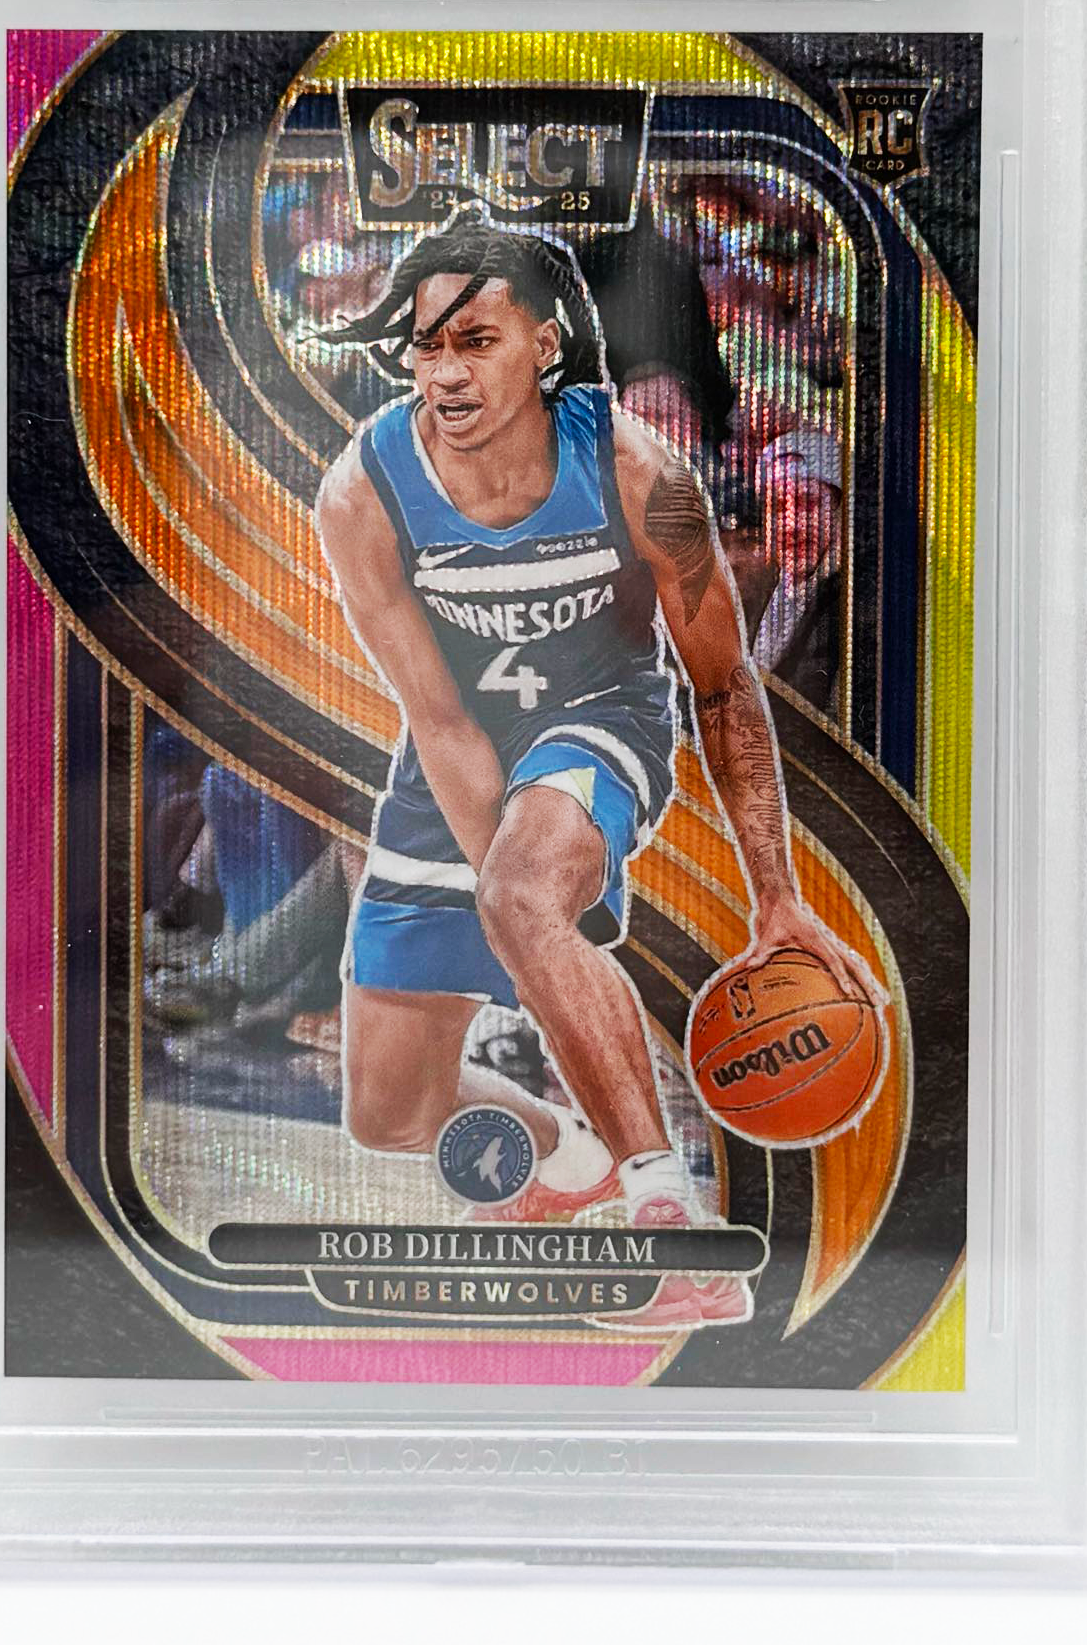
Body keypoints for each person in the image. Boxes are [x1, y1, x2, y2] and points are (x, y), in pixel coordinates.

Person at [313, 209, 878, 1330]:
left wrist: (776, 898)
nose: (446, 371)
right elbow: (438, 718)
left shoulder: (635, 471)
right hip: (455, 749)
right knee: (389, 1113)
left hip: (601, 719)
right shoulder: (361, 493)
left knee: (525, 896)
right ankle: (566, 1155)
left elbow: (724, 684)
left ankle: (669, 1221)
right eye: (429, 346)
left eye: (477, 341)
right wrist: (525, 936)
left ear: (546, 344)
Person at [749, 427, 846, 714]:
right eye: (778, 507)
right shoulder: (753, 596)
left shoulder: (854, 606)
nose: (792, 525)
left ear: (839, 511)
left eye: (808, 503)